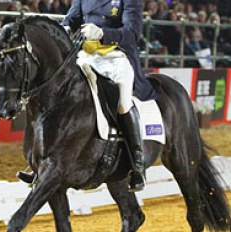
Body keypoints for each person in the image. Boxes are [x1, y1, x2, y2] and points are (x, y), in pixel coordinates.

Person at [18, 0, 156, 192]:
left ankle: (137, 165)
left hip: (116, 57)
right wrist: (64, 28)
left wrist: (103, 33)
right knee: (60, 91)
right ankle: (40, 163)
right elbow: (72, 18)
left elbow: (131, 34)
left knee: (123, 102)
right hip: (86, 56)